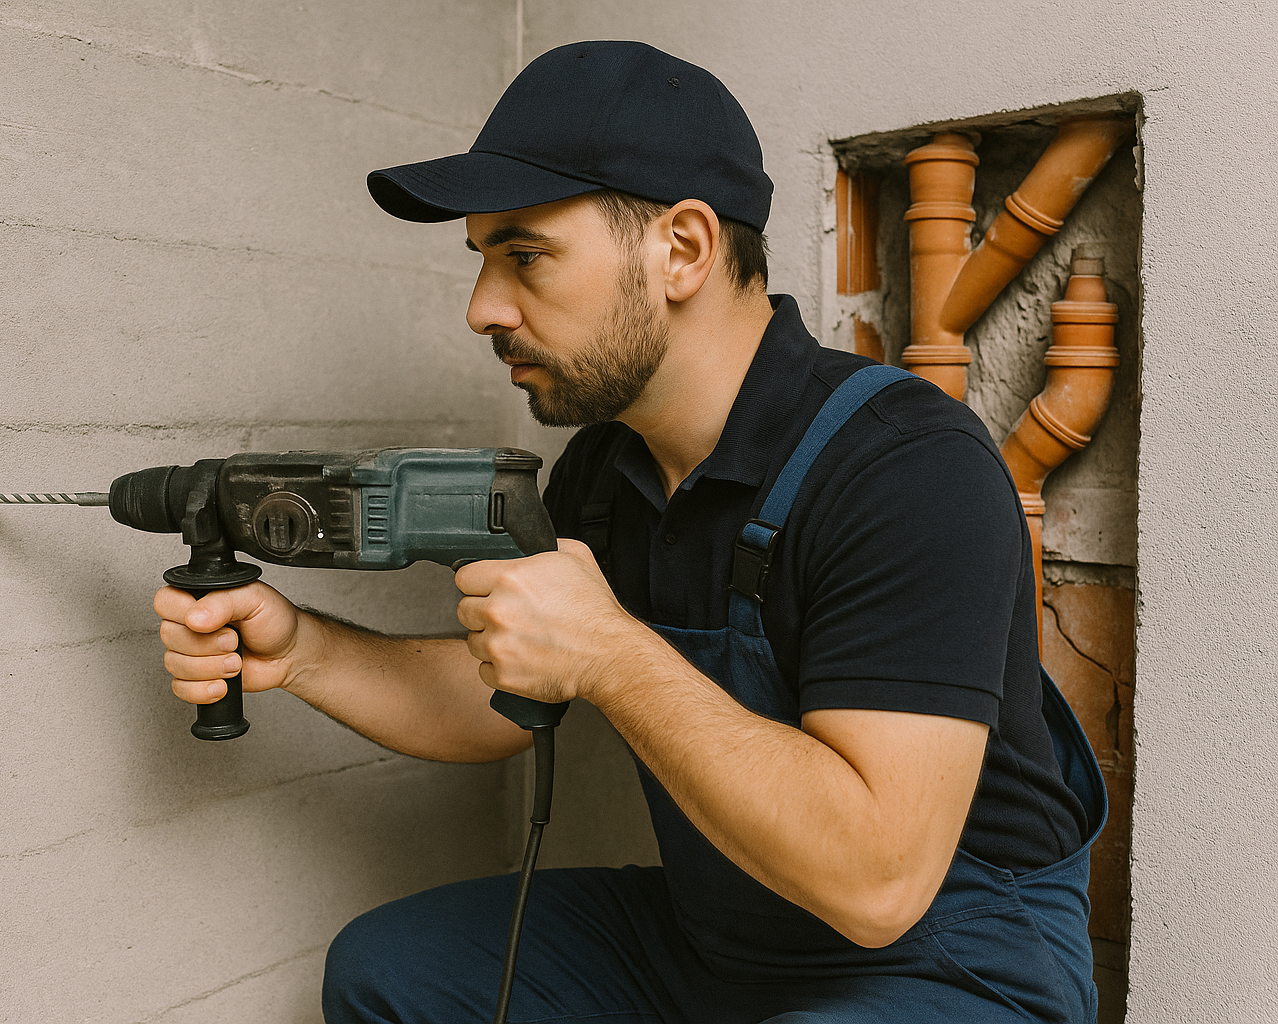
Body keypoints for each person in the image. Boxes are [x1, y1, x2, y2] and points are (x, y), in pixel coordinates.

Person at [154, 40, 1106, 1024]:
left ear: (683, 250)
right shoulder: (607, 471)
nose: (483, 308)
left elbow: (879, 882)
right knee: (388, 968)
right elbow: (498, 697)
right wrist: (301, 649)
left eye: (525, 256)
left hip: (944, 970)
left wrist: (610, 653)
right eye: (483, 261)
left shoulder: (906, 467)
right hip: (715, 942)